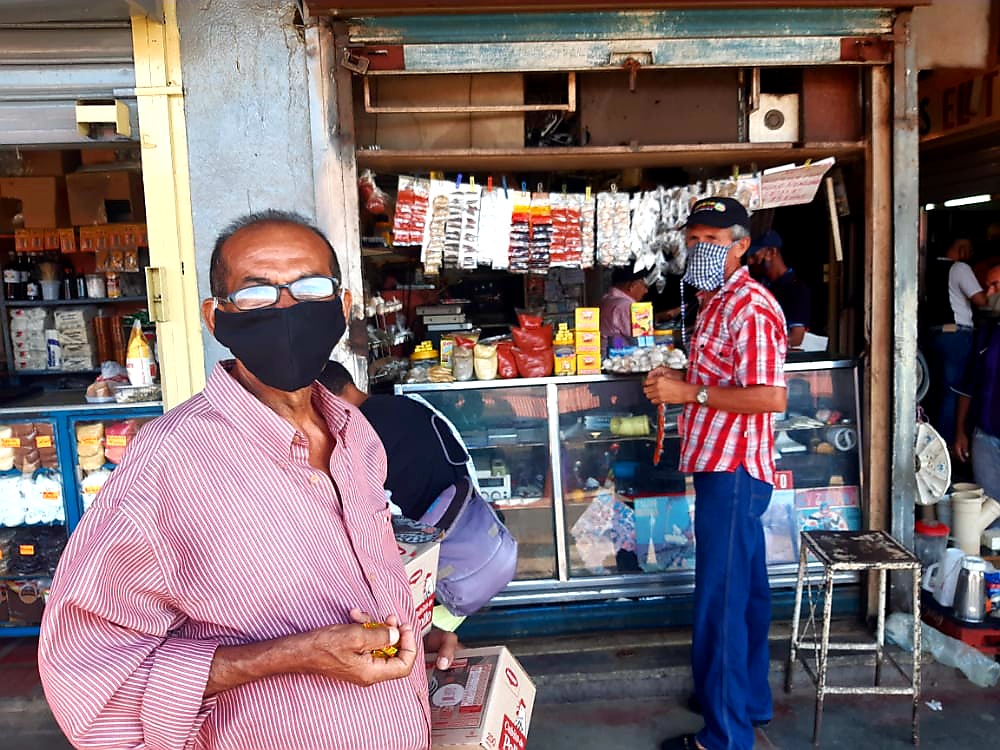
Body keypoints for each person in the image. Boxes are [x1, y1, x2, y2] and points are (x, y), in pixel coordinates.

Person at [38, 211, 458, 750]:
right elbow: (84, 672)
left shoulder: (357, 437)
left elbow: (364, 581)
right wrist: (289, 655)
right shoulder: (170, 464)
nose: (287, 308)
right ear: (216, 318)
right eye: (257, 294)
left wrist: (411, 631)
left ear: (343, 305)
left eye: (309, 288)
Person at [643, 197, 788, 750]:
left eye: (711, 240)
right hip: (722, 466)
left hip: (734, 471)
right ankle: (746, 700)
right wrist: (681, 375)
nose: (699, 249)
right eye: (694, 238)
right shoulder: (717, 302)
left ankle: (725, 737)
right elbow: (723, 375)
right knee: (747, 594)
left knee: (721, 603)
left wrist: (688, 391)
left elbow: (771, 396)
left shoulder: (750, 306)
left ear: (742, 245)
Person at [318, 360, 472, 520]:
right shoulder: (406, 403)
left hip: (431, 528)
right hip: (464, 509)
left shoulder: (359, 430)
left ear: (329, 399)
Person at [923, 235, 989, 444]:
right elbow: (982, 300)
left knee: (940, 391)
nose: (970, 255)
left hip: (935, 335)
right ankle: (947, 444)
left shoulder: (929, 269)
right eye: (968, 249)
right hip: (957, 335)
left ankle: (935, 440)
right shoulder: (959, 268)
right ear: (961, 248)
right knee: (956, 391)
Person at [953, 262, 1000, 502]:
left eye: (995, 286)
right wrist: (961, 431)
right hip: (985, 437)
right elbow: (967, 386)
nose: (988, 294)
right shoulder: (986, 333)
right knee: (989, 518)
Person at [745, 229, 811, 349]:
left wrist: (757, 344)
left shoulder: (795, 289)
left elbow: (796, 338)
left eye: (755, 256)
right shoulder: (759, 285)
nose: (750, 262)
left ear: (772, 252)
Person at [599, 266, 649, 354]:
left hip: (607, 351)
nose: (645, 291)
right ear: (632, 286)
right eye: (644, 286)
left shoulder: (606, 299)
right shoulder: (625, 305)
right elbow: (639, 337)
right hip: (618, 355)